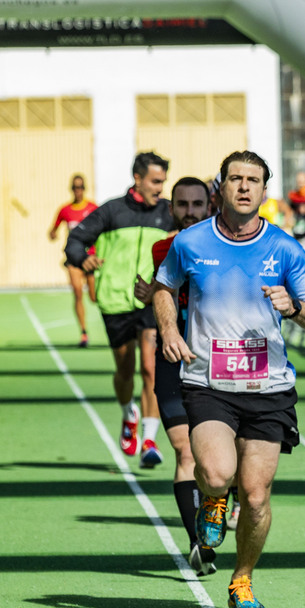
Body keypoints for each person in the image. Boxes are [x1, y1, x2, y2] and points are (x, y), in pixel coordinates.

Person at [153, 150, 305, 608]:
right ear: (221, 187)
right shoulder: (190, 242)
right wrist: (170, 329)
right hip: (208, 380)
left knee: (254, 494)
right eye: (236, 179)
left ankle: (242, 578)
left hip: (268, 386)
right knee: (214, 472)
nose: (245, 187)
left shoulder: (286, 248)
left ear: (265, 190)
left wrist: (292, 306)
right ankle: (212, 501)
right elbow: (164, 287)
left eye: (254, 180)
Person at [133, 176, 221, 575]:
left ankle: (219, 504)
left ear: (209, 207)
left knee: (221, 463)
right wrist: (152, 293)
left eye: (196, 205)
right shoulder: (162, 247)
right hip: (174, 361)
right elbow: (170, 290)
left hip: (219, 362)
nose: (189, 212)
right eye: (182, 205)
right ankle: (197, 543)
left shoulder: (227, 249)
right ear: (171, 209)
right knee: (186, 452)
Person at [66, 152, 174, 470]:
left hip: (150, 300)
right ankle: (129, 415)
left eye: (163, 181)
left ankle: (150, 440)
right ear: (137, 178)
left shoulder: (168, 213)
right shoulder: (112, 211)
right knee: (125, 370)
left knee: (152, 370)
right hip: (114, 301)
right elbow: (75, 240)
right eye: (156, 181)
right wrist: (82, 258)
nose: (160, 187)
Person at [48, 173, 98, 348]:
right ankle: (83, 333)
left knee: (93, 297)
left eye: (81, 187)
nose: (78, 191)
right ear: (72, 189)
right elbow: (53, 230)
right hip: (74, 258)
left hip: (90, 257)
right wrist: (53, 234)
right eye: (75, 188)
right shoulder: (65, 210)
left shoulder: (92, 208)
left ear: (84, 189)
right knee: (77, 291)